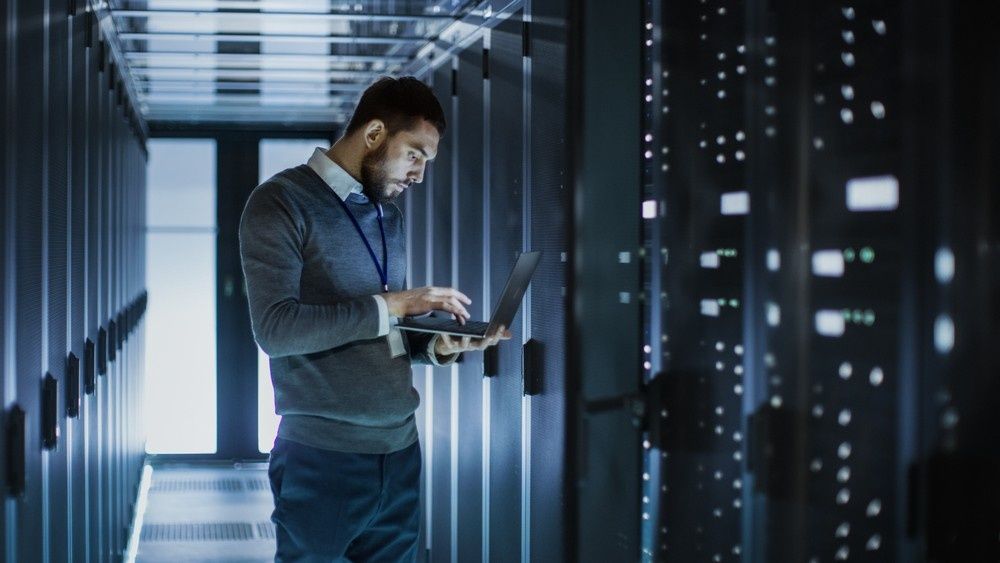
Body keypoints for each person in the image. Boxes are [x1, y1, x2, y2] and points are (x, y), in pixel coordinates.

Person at [238, 76, 511, 562]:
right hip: (322, 459)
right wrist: (397, 305)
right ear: (374, 134)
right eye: (415, 155)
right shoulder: (280, 202)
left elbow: (384, 329)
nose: (419, 175)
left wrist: (434, 347)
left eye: (426, 161)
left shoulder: (387, 215)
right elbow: (276, 329)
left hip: (400, 451)